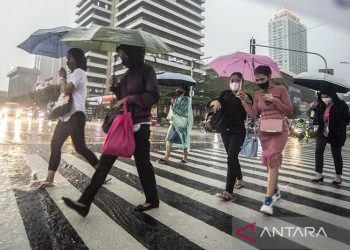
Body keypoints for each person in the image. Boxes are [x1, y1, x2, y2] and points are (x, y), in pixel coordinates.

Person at [62, 44, 160, 216]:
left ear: (134, 54)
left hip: (140, 126)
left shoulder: (147, 70)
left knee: (143, 165)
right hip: (122, 125)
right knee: (104, 163)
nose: (123, 59)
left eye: (125, 55)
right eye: (120, 55)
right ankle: (84, 203)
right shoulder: (127, 74)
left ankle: (152, 199)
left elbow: (153, 96)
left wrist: (130, 98)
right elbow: (121, 99)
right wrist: (115, 87)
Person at [32, 48, 99, 188]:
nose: (68, 61)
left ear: (78, 59)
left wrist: (62, 77)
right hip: (65, 117)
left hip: (75, 116)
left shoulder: (79, 72)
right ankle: (49, 179)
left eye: (70, 58)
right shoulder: (73, 74)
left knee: (80, 148)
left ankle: (101, 172)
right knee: (55, 145)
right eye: (67, 59)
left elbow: (67, 90)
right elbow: (65, 93)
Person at [237, 65, 293, 215]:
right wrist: (244, 101)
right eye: (257, 80)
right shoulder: (256, 94)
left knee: (272, 161)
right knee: (269, 164)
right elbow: (253, 113)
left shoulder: (280, 89)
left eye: (262, 79)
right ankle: (275, 190)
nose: (259, 82)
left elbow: (289, 111)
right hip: (264, 130)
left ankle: (268, 200)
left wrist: (273, 99)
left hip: (280, 129)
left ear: (269, 77)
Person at [209, 72, 250, 200]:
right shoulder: (225, 93)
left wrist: (246, 101)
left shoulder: (246, 96)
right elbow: (211, 103)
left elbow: (253, 112)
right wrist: (214, 102)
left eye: (237, 80)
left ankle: (228, 191)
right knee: (231, 157)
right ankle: (240, 177)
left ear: (242, 82)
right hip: (225, 130)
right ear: (229, 81)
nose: (235, 82)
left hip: (238, 131)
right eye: (232, 80)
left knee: (231, 158)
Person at [310, 85, 349, 184]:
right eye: (322, 96)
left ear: (332, 95)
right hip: (322, 132)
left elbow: (347, 119)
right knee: (318, 152)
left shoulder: (341, 104)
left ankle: (338, 176)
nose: (324, 98)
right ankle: (319, 175)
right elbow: (315, 120)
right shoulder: (320, 105)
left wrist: (339, 124)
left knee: (336, 155)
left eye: (326, 96)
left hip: (336, 133)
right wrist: (313, 109)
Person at [157, 85, 193, 164]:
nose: (177, 89)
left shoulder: (187, 99)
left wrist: (173, 105)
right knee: (169, 138)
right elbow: (174, 111)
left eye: (179, 88)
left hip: (182, 123)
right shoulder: (176, 99)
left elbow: (184, 111)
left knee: (184, 140)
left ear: (184, 89)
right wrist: (172, 105)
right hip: (174, 122)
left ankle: (185, 158)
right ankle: (166, 157)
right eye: (176, 88)